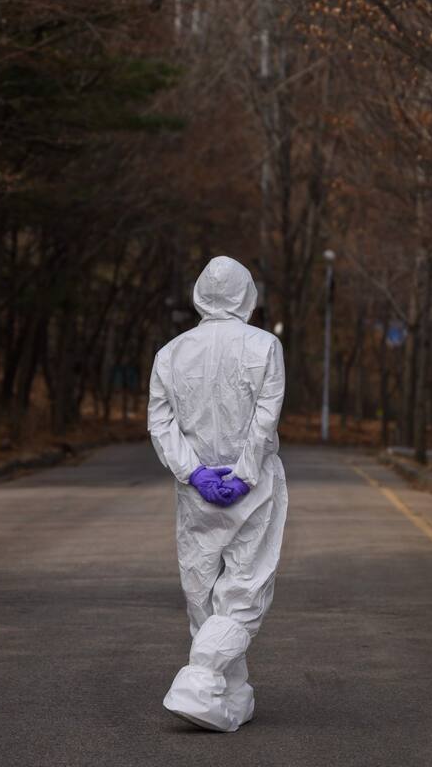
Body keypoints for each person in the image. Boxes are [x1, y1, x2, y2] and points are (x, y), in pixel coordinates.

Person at [147, 255, 288, 733]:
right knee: (245, 590)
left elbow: (160, 423)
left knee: (202, 591)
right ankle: (201, 677)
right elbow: (265, 418)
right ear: (247, 295)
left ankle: (230, 695)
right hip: (254, 489)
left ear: (199, 295)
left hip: (197, 492)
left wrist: (195, 473)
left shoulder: (170, 353)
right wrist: (244, 473)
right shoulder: (264, 346)